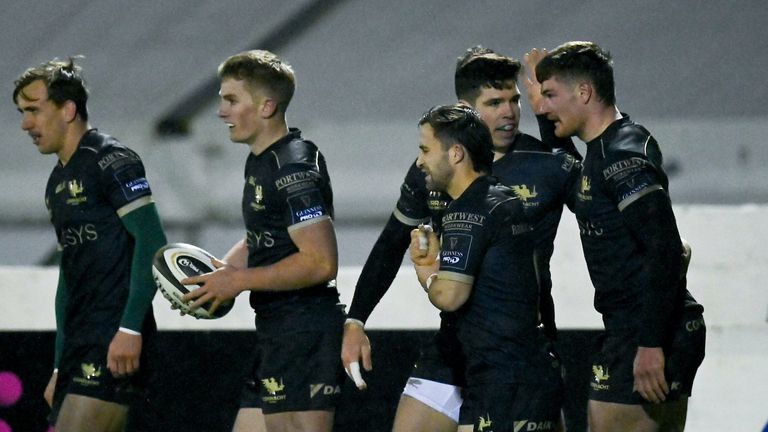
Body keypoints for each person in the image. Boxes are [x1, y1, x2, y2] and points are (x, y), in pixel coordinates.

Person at [341, 46, 580, 431]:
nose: (509, 112)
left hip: (517, 350)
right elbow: (390, 243)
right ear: (465, 110)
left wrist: (548, 118)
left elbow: (599, 209)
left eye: (514, 100)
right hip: (455, 344)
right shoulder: (434, 170)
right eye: (494, 102)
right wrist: (356, 319)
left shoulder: (546, 164)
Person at [536, 41, 706, 432]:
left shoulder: (620, 156)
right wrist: (544, 112)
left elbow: (665, 249)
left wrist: (649, 345)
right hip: (639, 328)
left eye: (550, 95)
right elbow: (585, 192)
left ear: (584, 93)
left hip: (646, 331)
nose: (544, 107)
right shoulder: (603, 152)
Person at [180, 50, 344, 432]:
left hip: (304, 334)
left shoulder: (293, 167)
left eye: (231, 100)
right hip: (278, 330)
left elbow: (320, 262)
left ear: (267, 105)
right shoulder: (262, 159)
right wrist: (219, 273)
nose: (221, 111)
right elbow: (264, 237)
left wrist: (238, 280)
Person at [13, 57, 167, 432]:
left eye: (33, 110)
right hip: (80, 346)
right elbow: (70, 275)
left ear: (67, 110)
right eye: (21, 112)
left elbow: (152, 242)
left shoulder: (111, 160)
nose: (25, 124)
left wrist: (130, 330)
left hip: (114, 336)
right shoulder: (56, 184)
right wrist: (58, 364)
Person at [409, 104, 563, 432]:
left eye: (425, 149)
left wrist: (427, 273)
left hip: (502, 384)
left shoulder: (467, 213)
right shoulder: (506, 199)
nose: (420, 161)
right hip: (528, 376)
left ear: (456, 154)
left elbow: (449, 296)